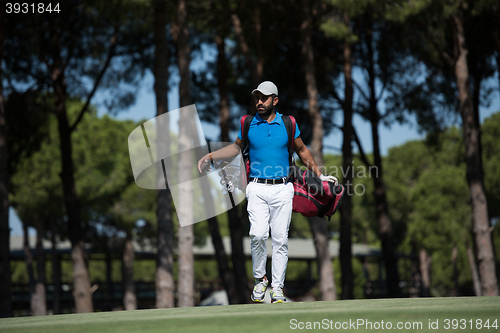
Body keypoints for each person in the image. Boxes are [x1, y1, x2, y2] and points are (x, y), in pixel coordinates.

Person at [197, 81, 337, 303]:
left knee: (280, 240)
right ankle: (260, 279)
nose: (259, 102)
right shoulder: (248, 122)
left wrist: (319, 176)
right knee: (259, 234)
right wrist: (211, 155)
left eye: (264, 98)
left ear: (275, 100)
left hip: (283, 188)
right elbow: (236, 148)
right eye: (257, 98)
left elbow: (301, 150)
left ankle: (278, 288)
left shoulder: (288, 123)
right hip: (257, 187)